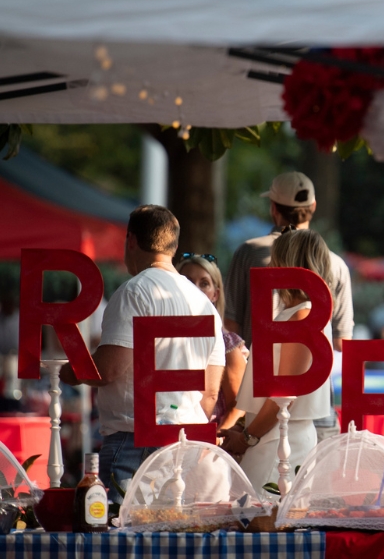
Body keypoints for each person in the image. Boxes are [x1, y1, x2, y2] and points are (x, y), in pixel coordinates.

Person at [60, 205, 225, 502]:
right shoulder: (205, 306)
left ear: (131, 241)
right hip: (188, 441)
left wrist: (67, 371)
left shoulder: (133, 292)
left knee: (120, 542)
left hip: (135, 440)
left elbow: (107, 369)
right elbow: (210, 392)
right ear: (173, 247)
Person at [224, 171, 353, 441]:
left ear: (273, 208)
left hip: (263, 401)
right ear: (313, 207)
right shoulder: (337, 264)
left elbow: (232, 331)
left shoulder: (249, 252)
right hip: (318, 404)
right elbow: (344, 341)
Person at [221, 228, 333, 496]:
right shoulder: (297, 313)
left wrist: (247, 439)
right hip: (272, 434)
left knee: (260, 520)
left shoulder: (302, 316)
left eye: (276, 258)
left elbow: (283, 395)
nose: (270, 265)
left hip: (280, 439)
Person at [177, 252, 248, 429]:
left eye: (204, 283)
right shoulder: (167, 339)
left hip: (212, 447)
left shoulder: (228, 343)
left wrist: (214, 439)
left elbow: (238, 406)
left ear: (215, 294)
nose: (195, 288)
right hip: (171, 438)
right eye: (188, 281)